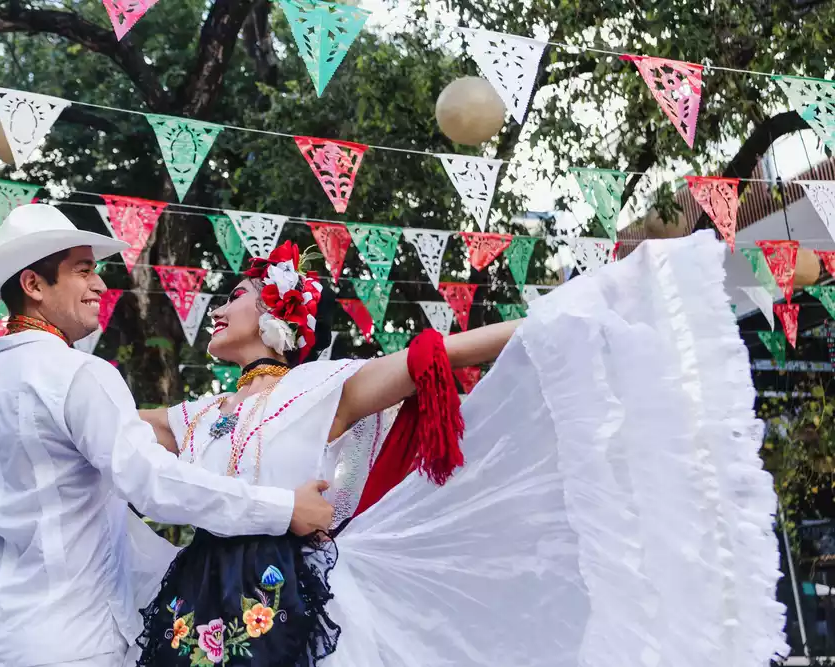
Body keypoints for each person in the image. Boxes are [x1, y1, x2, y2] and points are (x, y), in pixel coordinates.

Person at [136, 233, 788, 667]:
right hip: (201, 602)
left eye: (236, 296)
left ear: (278, 311)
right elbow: (101, 422)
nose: (217, 307)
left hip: (300, 600)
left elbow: (439, 356)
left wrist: (560, 321)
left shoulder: (324, 387)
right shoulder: (201, 414)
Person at [0, 204, 336, 667]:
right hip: (74, 645)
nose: (99, 285)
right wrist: (284, 508)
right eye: (82, 271)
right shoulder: (79, 374)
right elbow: (154, 483)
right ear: (33, 285)